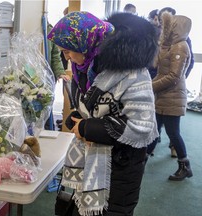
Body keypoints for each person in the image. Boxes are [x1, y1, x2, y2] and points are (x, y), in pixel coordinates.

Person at [48, 11, 159, 216]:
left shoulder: (134, 72)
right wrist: (79, 119)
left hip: (121, 168)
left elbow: (142, 127)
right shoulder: (86, 67)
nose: (66, 57)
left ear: (84, 43)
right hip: (93, 160)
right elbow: (90, 107)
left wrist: (86, 127)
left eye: (68, 51)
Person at [146, 11, 193, 181]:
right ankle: (141, 160)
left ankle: (184, 165)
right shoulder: (172, 45)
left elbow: (174, 76)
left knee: (173, 133)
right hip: (163, 95)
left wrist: (149, 86)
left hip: (172, 96)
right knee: (154, 129)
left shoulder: (181, 46)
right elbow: (159, 67)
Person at [44, 22, 71, 130]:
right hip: (34, 78)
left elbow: (55, 55)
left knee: (48, 107)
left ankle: (49, 129)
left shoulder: (50, 31)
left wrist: (60, 72)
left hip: (48, 78)